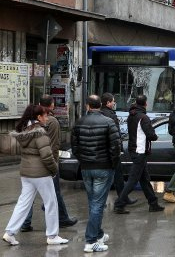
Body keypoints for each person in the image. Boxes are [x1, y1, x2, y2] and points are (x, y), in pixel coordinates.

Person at [4, 105, 68, 246]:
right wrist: (54, 170)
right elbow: (47, 155)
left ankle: (10, 232)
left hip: (26, 173)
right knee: (51, 202)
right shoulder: (40, 133)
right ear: (38, 117)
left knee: (23, 203)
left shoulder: (25, 131)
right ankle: (52, 236)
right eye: (45, 115)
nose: (47, 118)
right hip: (41, 173)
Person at [20, 95, 77, 233]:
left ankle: (25, 223)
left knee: (28, 195)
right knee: (54, 193)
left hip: (29, 163)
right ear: (52, 106)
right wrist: (53, 164)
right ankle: (60, 221)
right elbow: (54, 145)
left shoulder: (30, 122)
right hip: (47, 161)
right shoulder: (52, 122)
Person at [72, 95, 121, 252]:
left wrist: (83, 160)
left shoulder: (79, 123)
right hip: (104, 167)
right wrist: (112, 165)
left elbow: (75, 147)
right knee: (98, 203)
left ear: (87, 106)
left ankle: (98, 234)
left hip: (86, 167)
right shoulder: (108, 122)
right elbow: (116, 147)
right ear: (100, 105)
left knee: (94, 202)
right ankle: (91, 240)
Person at [114, 95, 164, 214]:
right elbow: (151, 135)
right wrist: (155, 136)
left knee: (144, 179)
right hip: (140, 151)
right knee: (133, 180)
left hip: (134, 150)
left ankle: (153, 203)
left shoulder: (132, 115)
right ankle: (119, 204)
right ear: (145, 104)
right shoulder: (143, 117)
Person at [100, 93, 137, 206]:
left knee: (104, 177)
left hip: (102, 150)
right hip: (112, 151)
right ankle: (122, 199)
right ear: (108, 103)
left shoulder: (99, 114)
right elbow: (116, 135)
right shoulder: (111, 116)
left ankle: (101, 200)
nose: (114, 103)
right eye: (113, 101)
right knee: (118, 176)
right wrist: (119, 149)